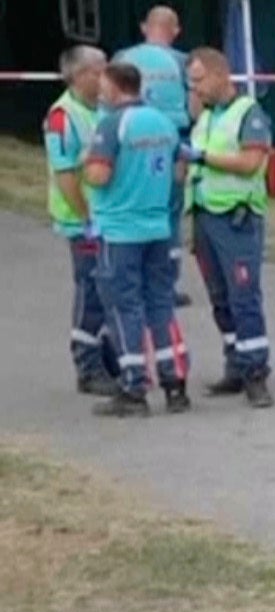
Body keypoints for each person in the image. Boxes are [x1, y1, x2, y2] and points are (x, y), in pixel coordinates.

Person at [82, 59, 187, 417]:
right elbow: (179, 167)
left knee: (123, 306)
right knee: (161, 304)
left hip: (121, 229)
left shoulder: (112, 125)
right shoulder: (163, 122)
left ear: (113, 87)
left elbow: (98, 175)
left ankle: (134, 386)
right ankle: (175, 383)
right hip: (158, 225)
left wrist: (86, 160)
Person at [184, 48, 275, 408]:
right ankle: (236, 365)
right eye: (190, 82)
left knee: (244, 297)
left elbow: (251, 163)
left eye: (199, 80)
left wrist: (203, 158)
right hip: (206, 216)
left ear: (222, 75)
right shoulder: (206, 118)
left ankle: (257, 374)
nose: (195, 89)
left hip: (237, 219)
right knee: (220, 300)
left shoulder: (248, 114)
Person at [44, 45, 121, 397]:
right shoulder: (63, 116)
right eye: (99, 70)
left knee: (110, 289)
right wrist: (86, 217)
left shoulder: (103, 108)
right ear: (79, 75)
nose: (106, 75)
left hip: (108, 216)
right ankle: (87, 365)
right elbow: (65, 176)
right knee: (91, 290)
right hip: (83, 220)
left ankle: (106, 355)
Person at [113, 7, 193, 295]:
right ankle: (165, 285)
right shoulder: (183, 63)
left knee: (130, 208)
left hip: (128, 146)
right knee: (168, 216)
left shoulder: (122, 58)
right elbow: (192, 109)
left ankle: (130, 279)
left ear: (144, 27)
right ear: (175, 31)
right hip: (168, 147)